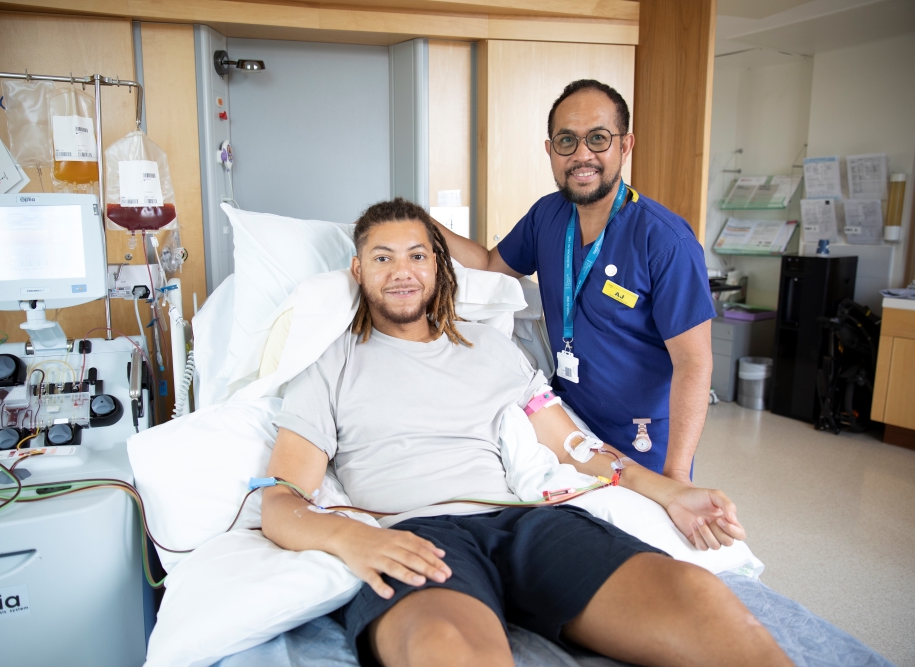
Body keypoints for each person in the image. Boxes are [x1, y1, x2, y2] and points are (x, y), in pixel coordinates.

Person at [261, 199, 790, 667]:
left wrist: (674, 491)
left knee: (697, 599)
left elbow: (574, 448)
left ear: (439, 266)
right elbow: (283, 501)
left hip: (528, 525)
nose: (402, 271)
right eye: (383, 257)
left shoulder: (490, 350)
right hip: (417, 534)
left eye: (417, 255)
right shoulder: (328, 363)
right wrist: (350, 537)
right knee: (444, 647)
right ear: (357, 269)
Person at [435, 79, 715, 484]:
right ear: (550, 150)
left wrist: (676, 476)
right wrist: (421, 224)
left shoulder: (666, 241)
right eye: (567, 140)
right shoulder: (547, 216)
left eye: (598, 138)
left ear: (625, 145)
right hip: (566, 424)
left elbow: (694, 362)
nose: (582, 154)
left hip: (643, 438)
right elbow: (490, 264)